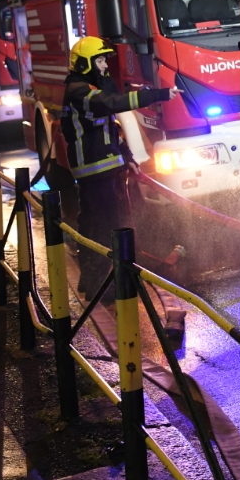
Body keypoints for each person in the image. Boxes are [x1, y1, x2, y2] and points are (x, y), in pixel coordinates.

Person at [56, 37, 172, 298]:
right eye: (99, 60)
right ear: (85, 64)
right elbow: (114, 103)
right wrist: (157, 94)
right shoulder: (80, 91)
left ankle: (93, 279)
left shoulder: (89, 88)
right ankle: (101, 286)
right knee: (102, 226)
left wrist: (127, 154)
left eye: (105, 60)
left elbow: (111, 128)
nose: (105, 66)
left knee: (97, 224)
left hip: (102, 169)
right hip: (93, 171)